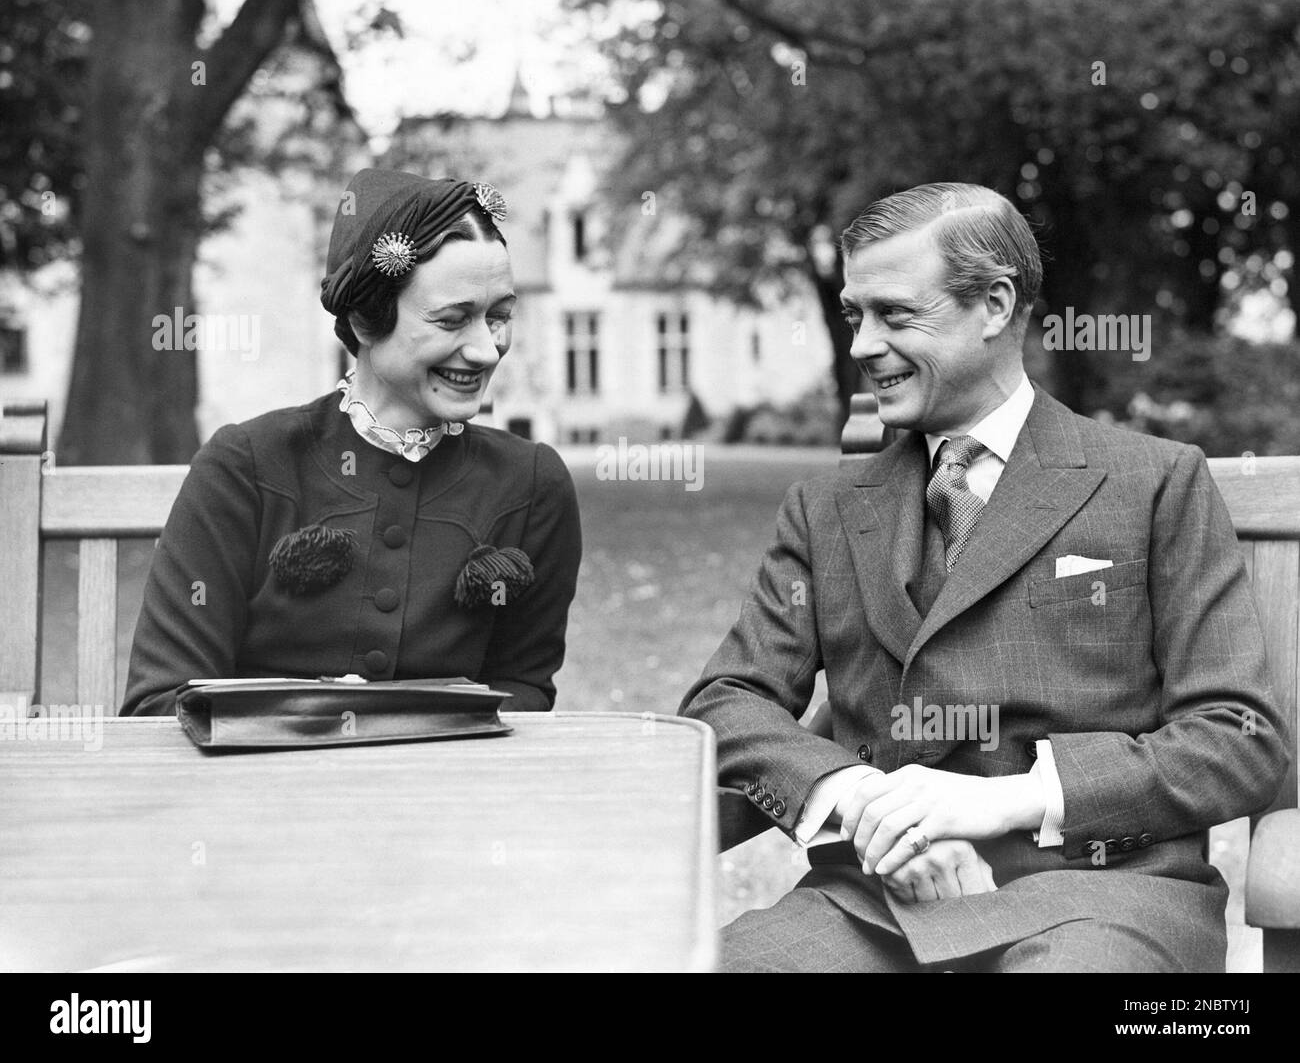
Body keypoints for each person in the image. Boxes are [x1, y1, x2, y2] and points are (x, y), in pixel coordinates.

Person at [680, 182, 1289, 972]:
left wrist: (1004, 799)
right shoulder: (825, 509)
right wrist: (862, 804)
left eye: (895, 315)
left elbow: (1236, 739)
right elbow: (727, 703)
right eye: (853, 314)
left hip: (1101, 901)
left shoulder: (1154, 482)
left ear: (996, 305)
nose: (862, 344)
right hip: (872, 906)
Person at [123, 169, 581, 716]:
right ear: (366, 319)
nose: (486, 350)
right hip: (257, 793)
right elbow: (160, 704)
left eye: (499, 316)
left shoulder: (532, 485)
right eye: (452, 320)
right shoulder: (247, 467)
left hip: (446, 795)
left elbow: (523, 694)